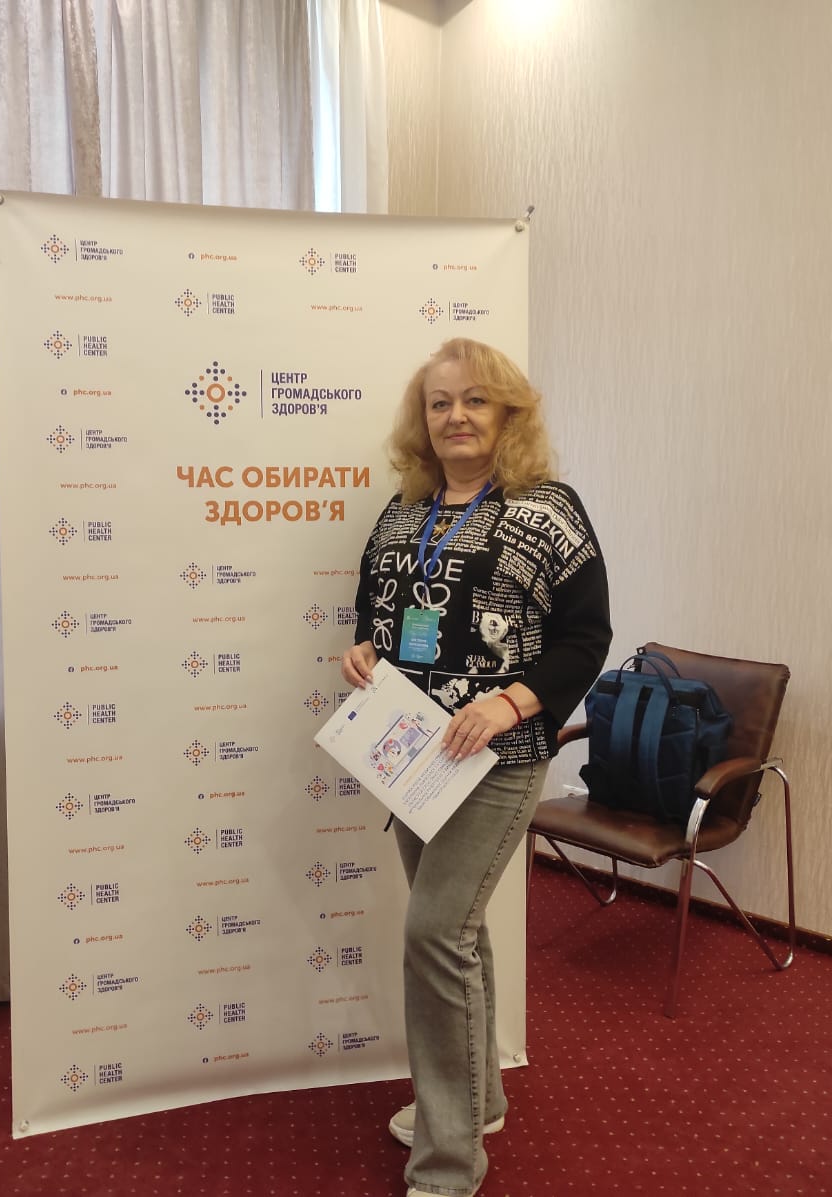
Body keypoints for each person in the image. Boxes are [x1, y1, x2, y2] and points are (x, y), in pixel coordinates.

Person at [340, 338, 611, 1197]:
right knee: (457, 932)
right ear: (422, 420)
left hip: (498, 755)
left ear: (508, 414)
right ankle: (479, 1097)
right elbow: (374, 602)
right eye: (440, 402)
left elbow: (586, 638)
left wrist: (512, 702)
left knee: (434, 932)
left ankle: (449, 1163)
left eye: (475, 400)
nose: (456, 416)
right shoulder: (405, 509)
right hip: (410, 754)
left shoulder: (548, 509)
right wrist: (364, 648)